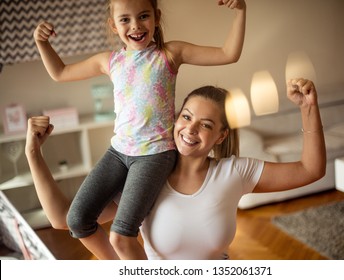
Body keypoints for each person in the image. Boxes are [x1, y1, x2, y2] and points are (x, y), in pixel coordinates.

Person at [33, 0, 246, 260]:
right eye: (125, 20)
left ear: (156, 17)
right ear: (113, 25)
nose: (135, 25)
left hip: (154, 156)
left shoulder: (169, 54)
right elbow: (60, 72)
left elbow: (228, 53)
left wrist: (240, 11)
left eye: (143, 16)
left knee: (122, 234)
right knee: (77, 220)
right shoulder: (109, 61)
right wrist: (42, 43)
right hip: (118, 153)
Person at [25, 78, 326, 259]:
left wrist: (308, 108)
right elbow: (65, 220)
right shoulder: (144, 178)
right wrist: (33, 153)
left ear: (221, 136)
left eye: (205, 124)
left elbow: (310, 170)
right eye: (186, 116)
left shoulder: (235, 172)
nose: (190, 129)